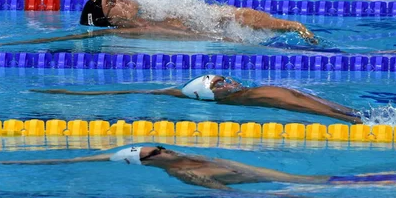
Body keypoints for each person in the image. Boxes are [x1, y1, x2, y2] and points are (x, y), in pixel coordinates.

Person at [0, 145, 396, 191]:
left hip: (265, 176)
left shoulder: (173, 158)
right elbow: (212, 189)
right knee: (330, 184)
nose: (158, 150)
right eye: (151, 153)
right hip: (281, 184)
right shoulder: (178, 172)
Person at [0, 0, 317, 48]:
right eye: (111, 4)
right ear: (110, 22)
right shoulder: (128, 34)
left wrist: (289, 25)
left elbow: (231, 15)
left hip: (227, 36)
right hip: (222, 45)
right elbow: (75, 39)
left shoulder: (161, 8)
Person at [31, 74, 362, 123]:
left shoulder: (245, 91)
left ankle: (355, 115)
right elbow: (291, 102)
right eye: (217, 83)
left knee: (294, 95)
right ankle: (354, 116)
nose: (226, 81)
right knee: (288, 97)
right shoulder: (248, 96)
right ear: (213, 96)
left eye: (222, 77)